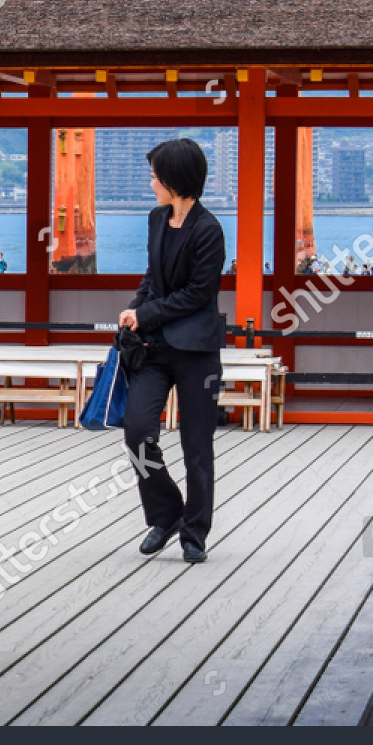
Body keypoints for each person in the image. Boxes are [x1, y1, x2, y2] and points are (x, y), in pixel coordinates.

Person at [119, 138, 226, 566]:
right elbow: (154, 276)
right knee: (137, 432)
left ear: (175, 179)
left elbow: (199, 294)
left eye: (155, 175)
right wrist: (135, 307)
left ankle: (194, 533)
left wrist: (146, 313)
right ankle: (165, 516)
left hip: (197, 350)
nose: (151, 182)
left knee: (196, 445)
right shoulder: (157, 219)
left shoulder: (209, 229)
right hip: (155, 349)